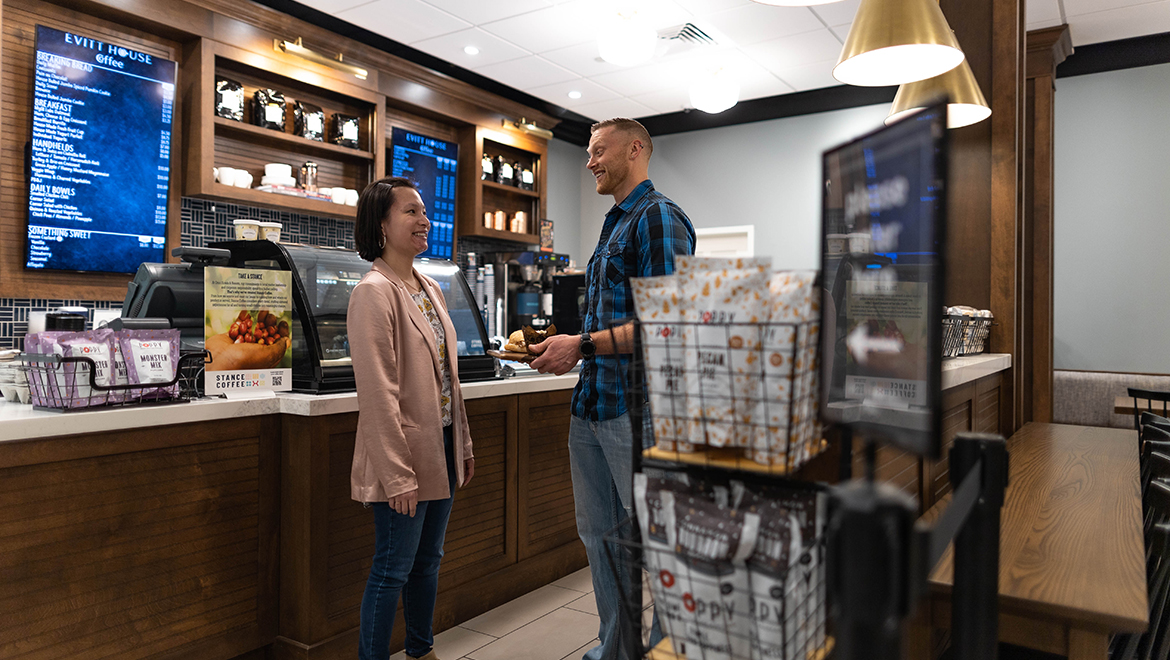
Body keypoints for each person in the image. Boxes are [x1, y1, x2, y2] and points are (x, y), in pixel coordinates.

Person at [530, 118, 695, 660]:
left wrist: (580, 345)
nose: (590, 161)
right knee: (601, 540)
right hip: (593, 408)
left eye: (600, 151)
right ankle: (615, 650)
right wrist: (578, 345)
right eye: (589, 152)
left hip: (639, 413)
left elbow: (668, 324)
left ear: (636, 149)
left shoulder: (659, 218)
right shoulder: (614, 223)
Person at [348, 176, 476, 660]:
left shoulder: (429, 287)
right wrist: (397, 476)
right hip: (401, 456)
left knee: (428, 562)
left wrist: (460, 446)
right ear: (381, 224)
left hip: (438, 448)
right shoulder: (373, 293)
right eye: (411, 212)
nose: (425, 220)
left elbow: (448, 378)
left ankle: (421, 650)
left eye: (424, 211)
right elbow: (378, 395)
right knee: (392, 568)